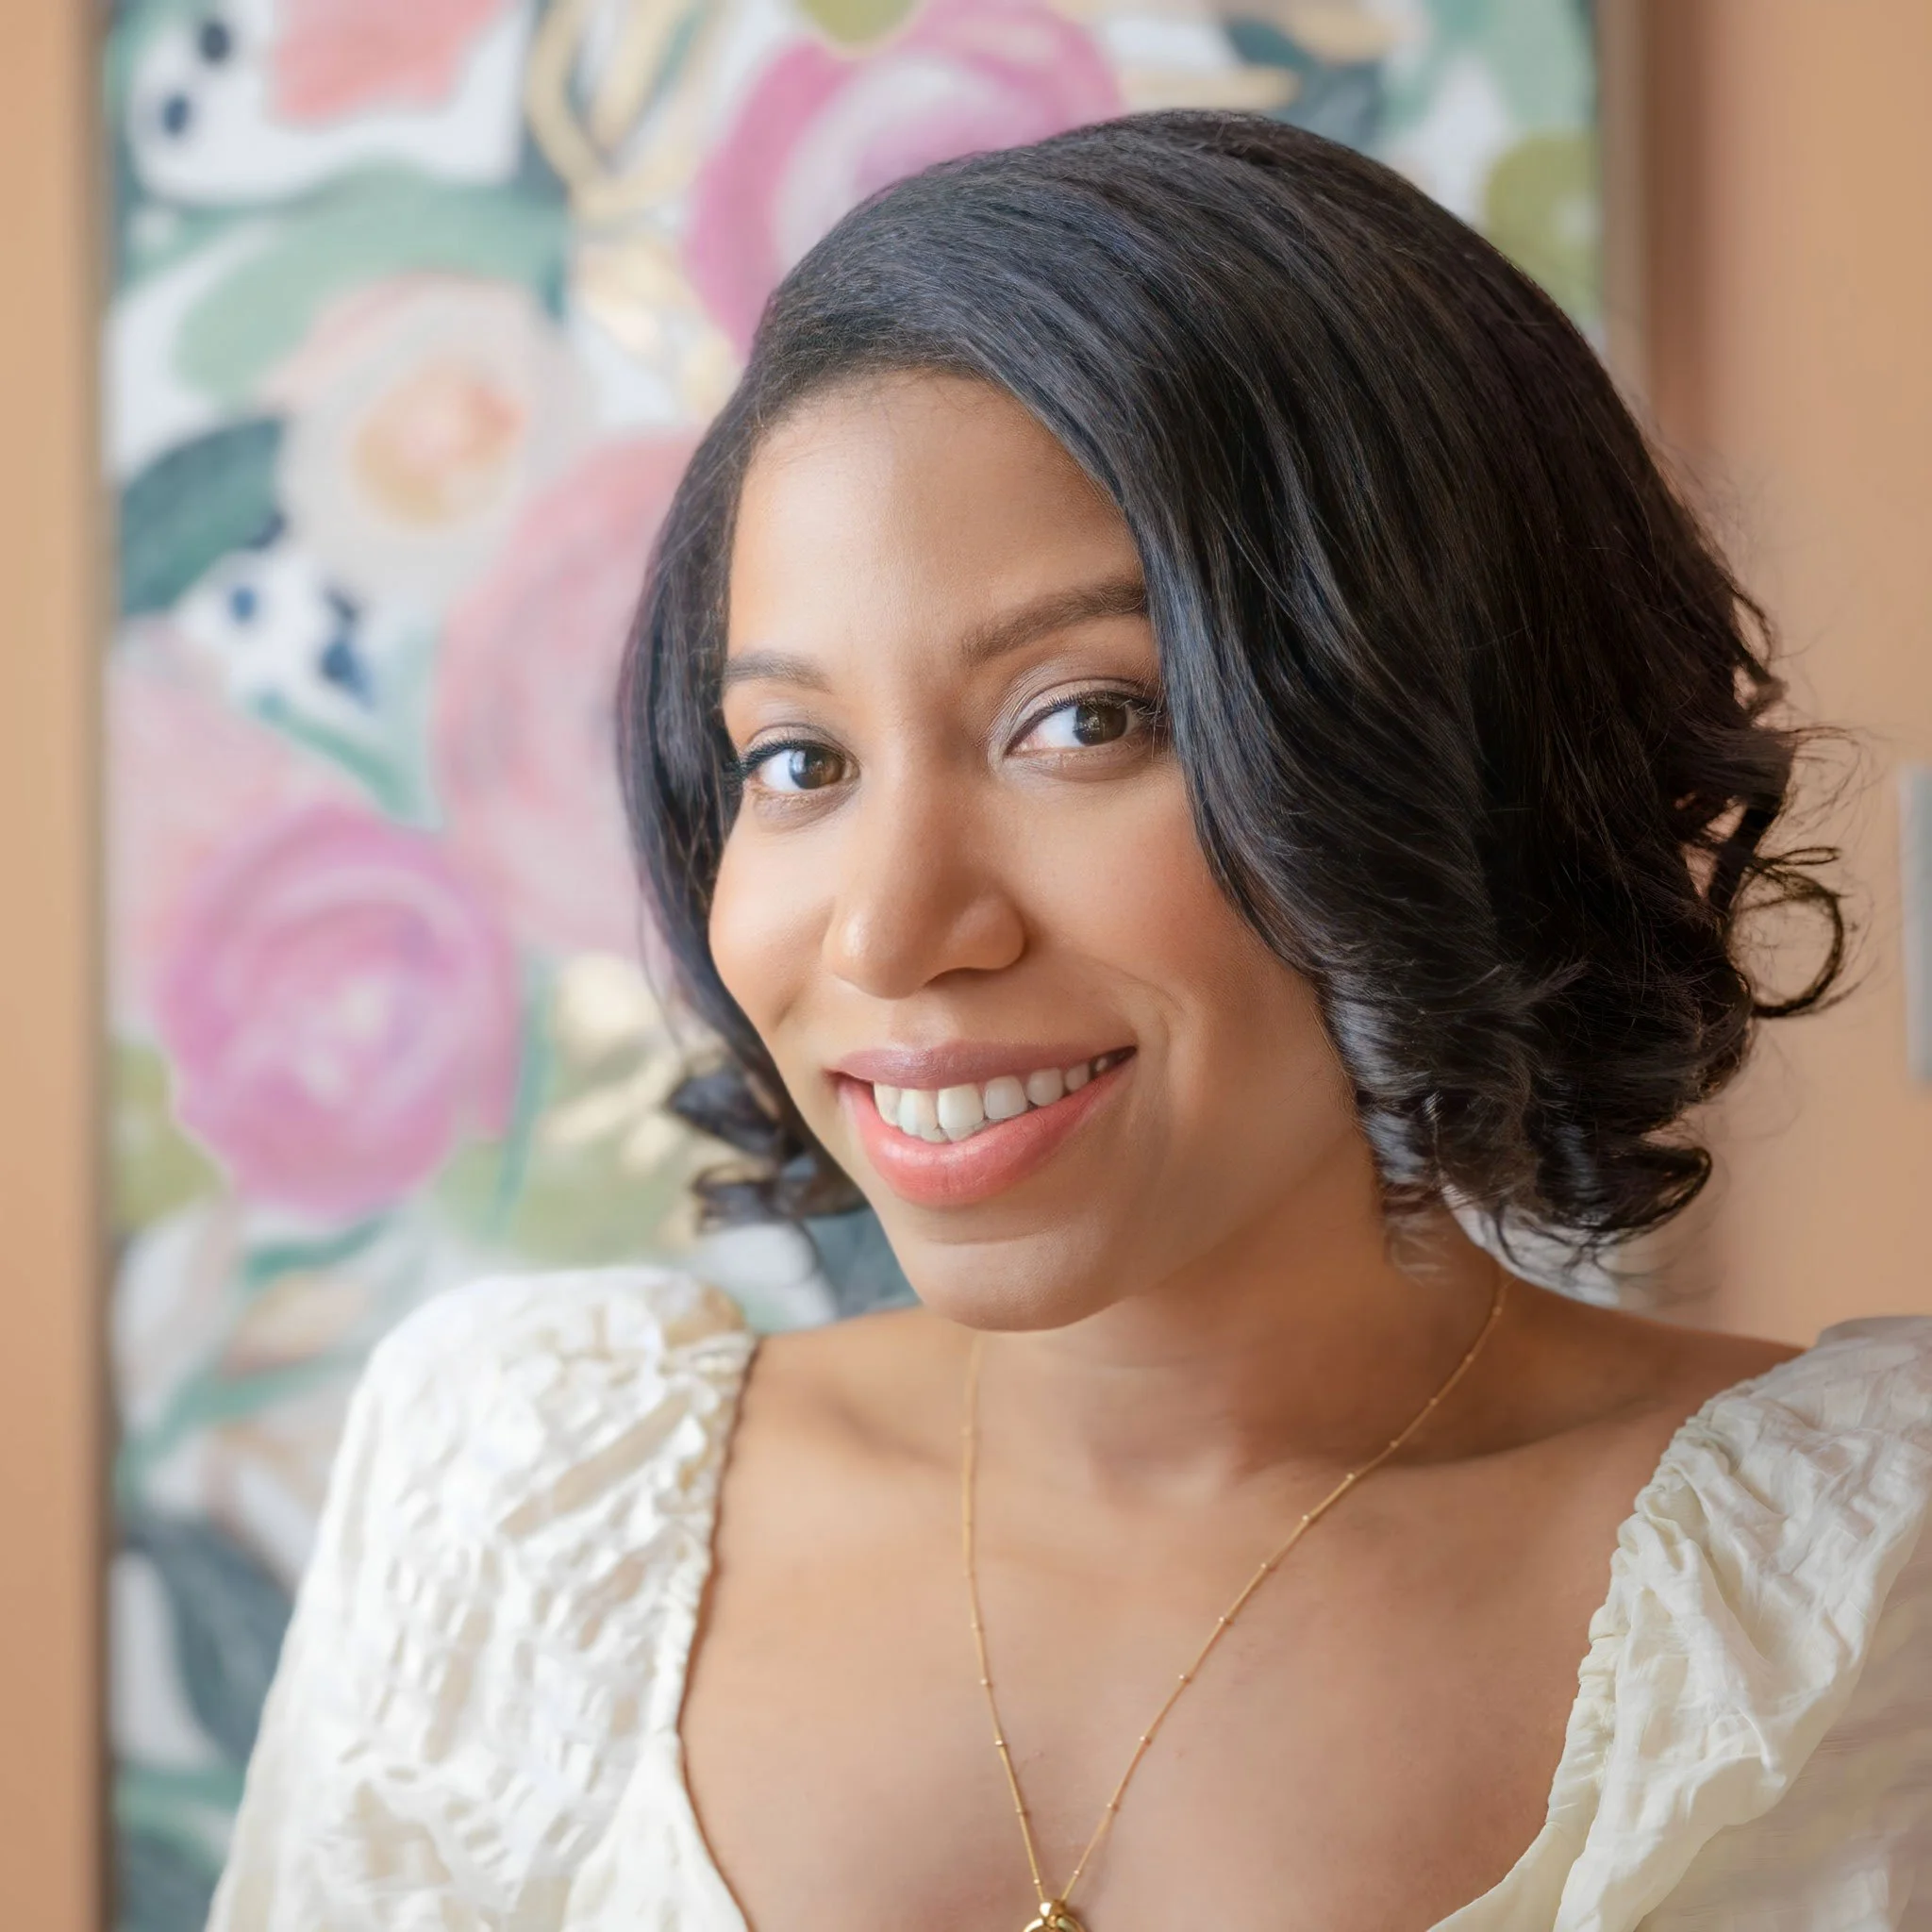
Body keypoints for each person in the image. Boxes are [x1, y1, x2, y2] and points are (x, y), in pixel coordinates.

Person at [208, 112, 1932, 1931]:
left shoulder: (1859, 1592)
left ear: (1450, 739)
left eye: (1083, 721)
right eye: (797, 761)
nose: (890, 928)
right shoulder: (513, 1511)